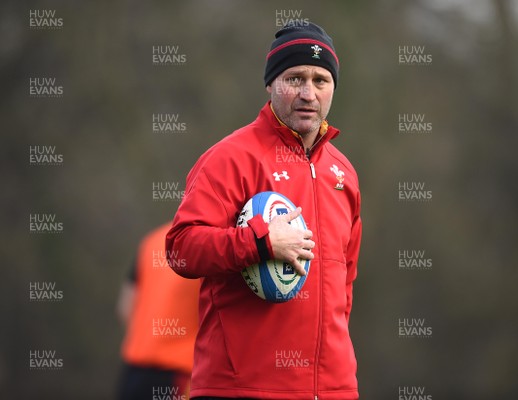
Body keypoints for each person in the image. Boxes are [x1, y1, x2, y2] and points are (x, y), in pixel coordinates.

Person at [166, 22, 362, 400]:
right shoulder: (229, 159)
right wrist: (260, 241)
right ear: (271, 84)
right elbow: (180, 249)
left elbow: (344, 288)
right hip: (243, 388)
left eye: (321, 80)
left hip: (335, 390)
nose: (308, 93)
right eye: (295, 78)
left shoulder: (345, 174)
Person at [117, 222, 202, 400]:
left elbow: (125, 306)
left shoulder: (152, 241)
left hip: (134, 372)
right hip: (179, 376)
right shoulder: (210, 248)